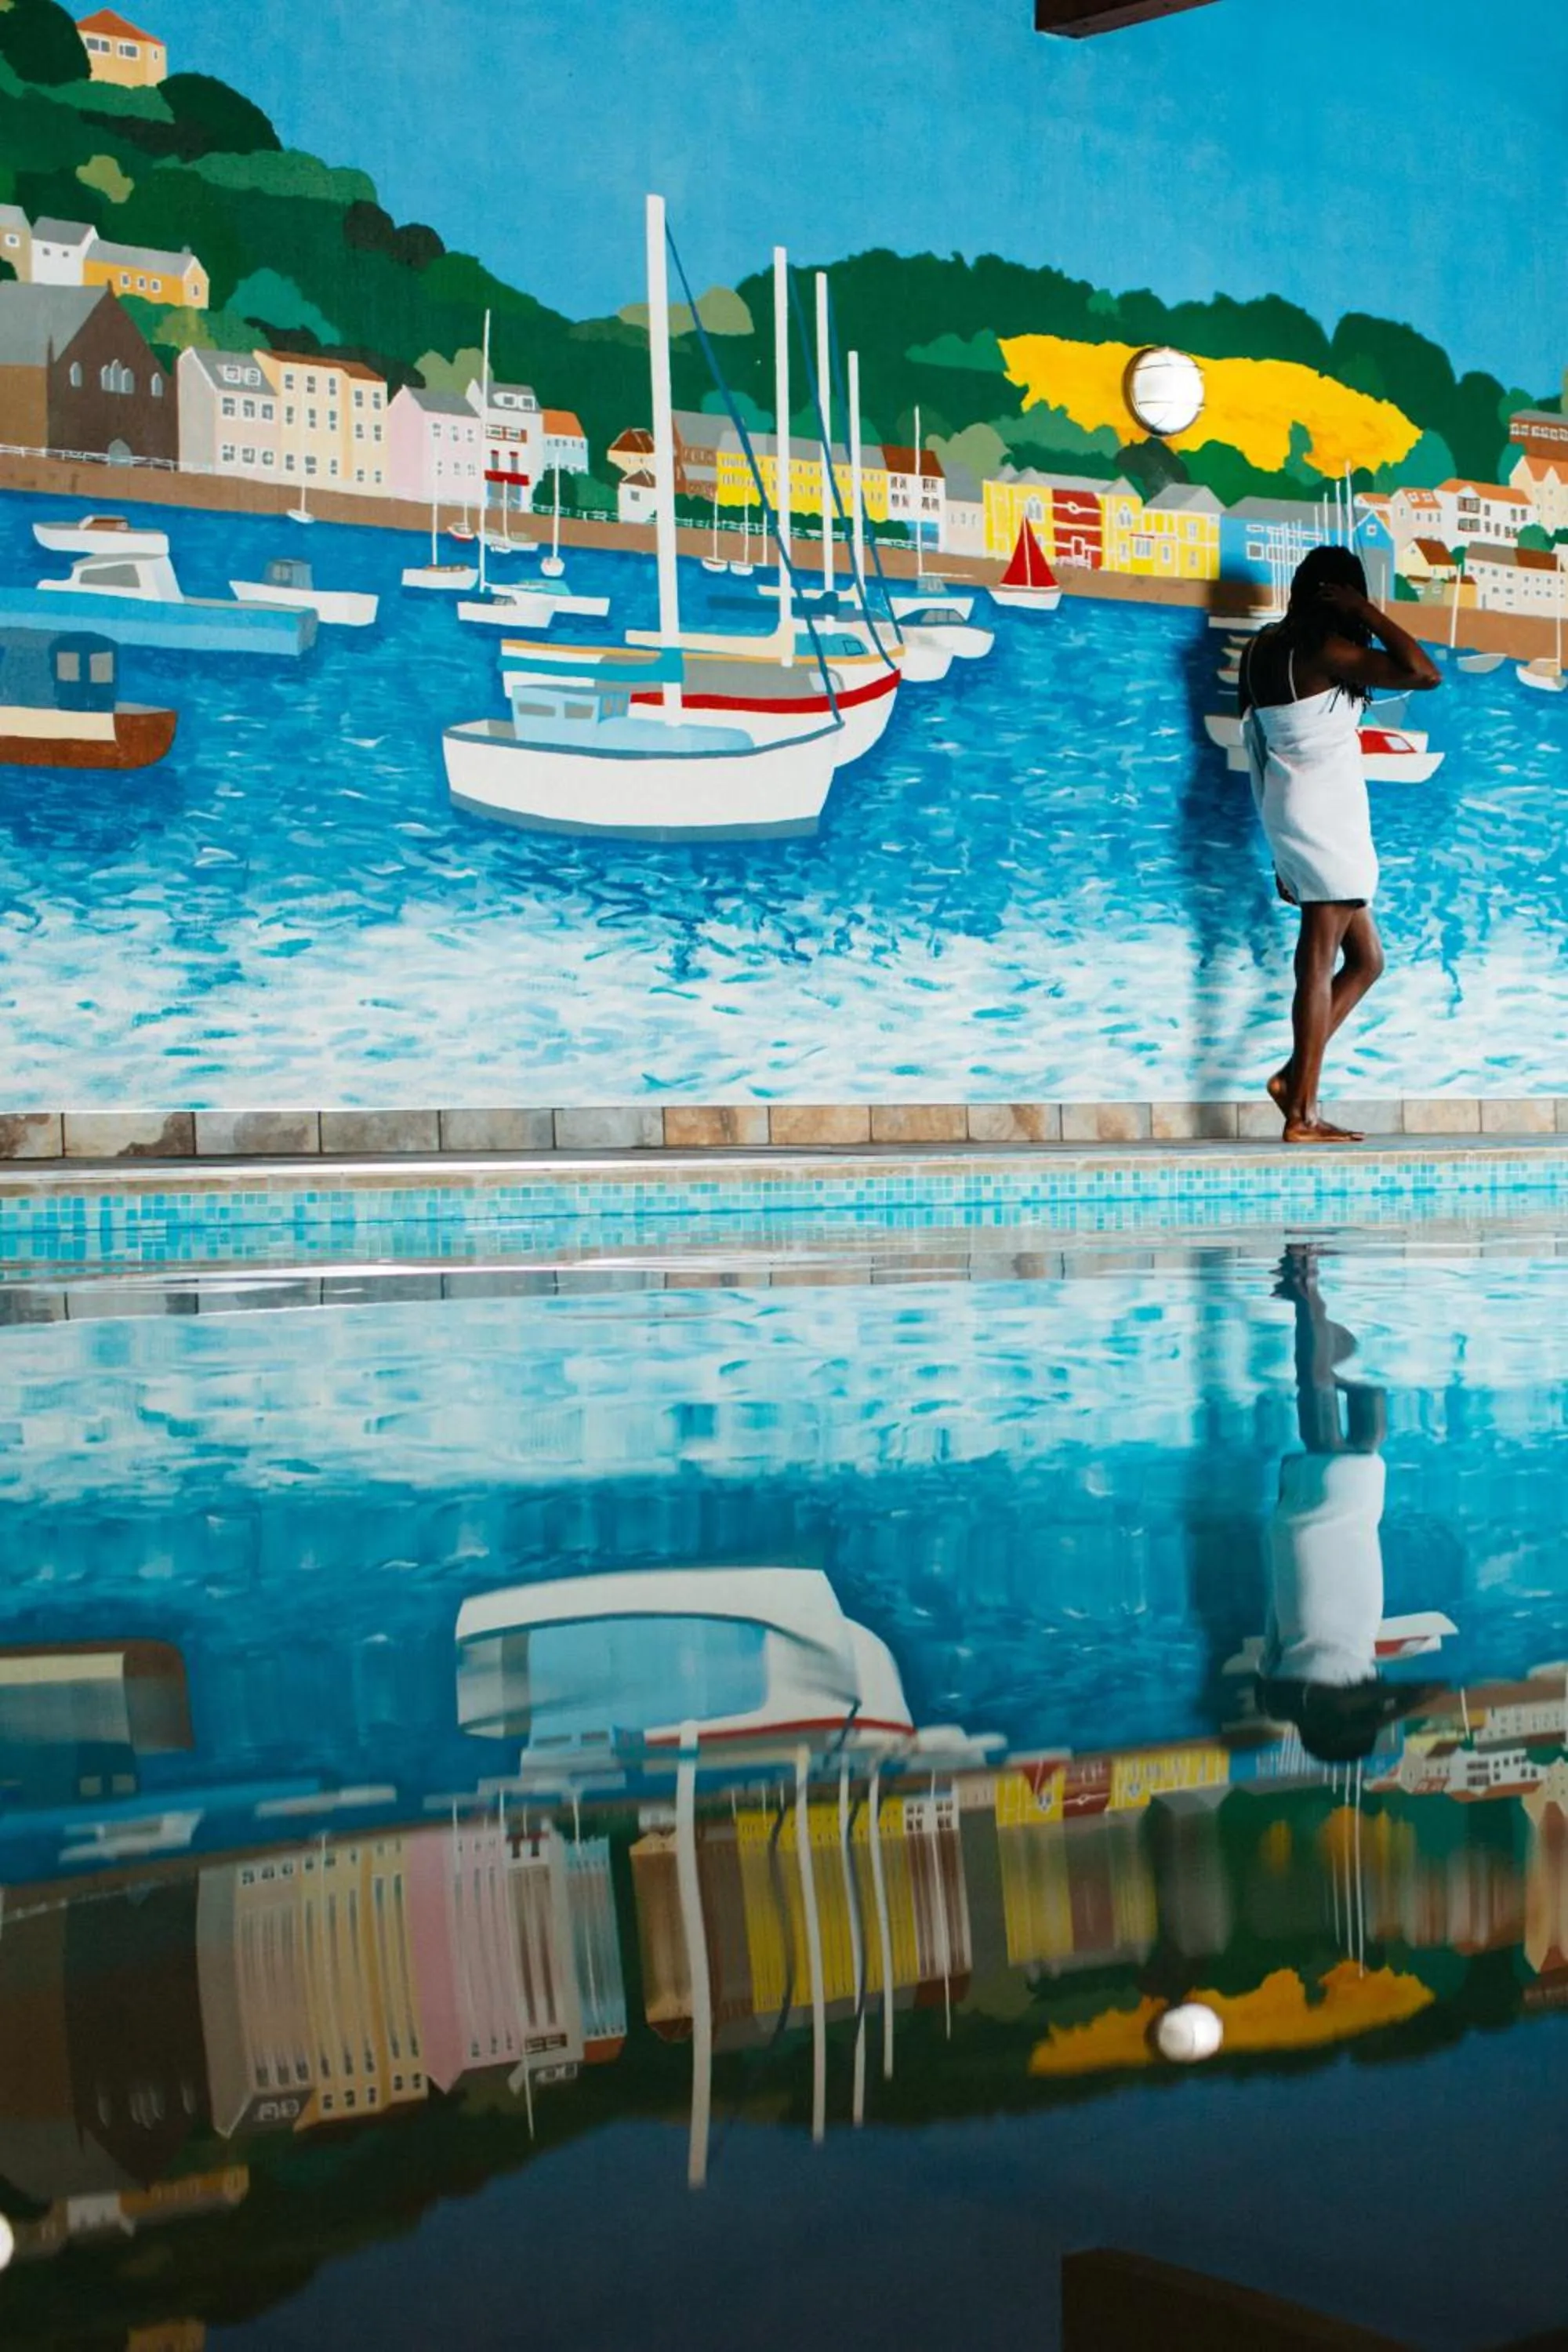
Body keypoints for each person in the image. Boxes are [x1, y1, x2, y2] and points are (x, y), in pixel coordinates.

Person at [1238, 545, 1440, 1145]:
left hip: (1291, 805)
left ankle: (1291, 1080)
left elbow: (1253, 743)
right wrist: (1369, 613)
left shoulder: (1263, 647)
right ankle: (1301, 1115)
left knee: (1366, 960)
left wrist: (1278, 844)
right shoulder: (1326, 651)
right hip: (1323, 809)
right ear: (1339, 595)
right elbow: (1424, 674)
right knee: (1320, 956)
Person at [1256, 1245, 1437, 1763]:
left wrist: (1385, 1709)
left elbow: (1413, 1694)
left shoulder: (1356, 1678)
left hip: (1350, 1525)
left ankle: (1306, 1285)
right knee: (1317, 1398)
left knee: (1364, 1425)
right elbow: (1274, 1608)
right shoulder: (1284, 1684)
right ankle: (1305, 1299)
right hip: (1301, 1530)